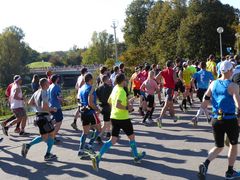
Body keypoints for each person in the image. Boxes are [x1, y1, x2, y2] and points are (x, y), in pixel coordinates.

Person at [91, 73, 146, 171]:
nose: (127, 81)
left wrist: (127, 102)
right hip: (123, 118)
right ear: (122, 81)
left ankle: (98, 157)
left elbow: (109, 101)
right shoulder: (122, 90)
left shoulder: (115, 88)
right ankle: (136, 156)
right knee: (131, 137)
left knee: (112, 140)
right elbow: (117, 104)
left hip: (114, 117)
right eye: (125, 80)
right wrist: (127, 108)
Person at [198, 60, 240, 179]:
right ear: (228, 71)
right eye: (231, 70)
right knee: (233, 145)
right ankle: (230, 172)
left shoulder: (213, 84)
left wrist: (201, 114)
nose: (233, 71)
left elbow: (205, 102)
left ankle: (205, 163)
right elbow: (239, 105)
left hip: (216, 119)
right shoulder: (233, 86)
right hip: (230, 119)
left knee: (219, 146)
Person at [21, 78, 57, 161]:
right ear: (45, 85)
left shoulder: (36, 92)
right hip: (45, 117)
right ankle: (47, 154)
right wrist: (52, 109)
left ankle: (28, 145)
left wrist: (38, 107)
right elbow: (45, 107)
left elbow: (29, 103)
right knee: (52, 134)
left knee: (44, 137)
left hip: (38, 117)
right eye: (48, 83)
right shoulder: (44, 92)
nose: (49, 84)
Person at [78, 73, 102, 158]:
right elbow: (90, 102)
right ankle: (89, 145)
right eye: (93, 79)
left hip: (83, 112)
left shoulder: (81, 88)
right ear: (90, 80)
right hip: (90, 112)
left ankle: (81, 150)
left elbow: (79, 100)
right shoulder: (91, 88)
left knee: (85, 132)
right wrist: (98, 109)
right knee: (99, 129)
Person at [191, 61, 214, 126]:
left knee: (204, 105)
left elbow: (192, 81)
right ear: (205, 66)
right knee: (204, 105)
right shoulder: (209, 73)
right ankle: (196, 117)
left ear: (200, 66)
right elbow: (213, 81)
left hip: (199, 91)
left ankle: (208, 118)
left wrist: (195, 88)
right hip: (206, 91)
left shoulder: (197, 73)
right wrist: (210, 87)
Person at [156, 60, 177, 128]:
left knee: (170, 103)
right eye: (173, 63)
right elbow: (175, 80)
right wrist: (177, 78)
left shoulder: (163, 71)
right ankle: (160, 118)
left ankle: (174, 117)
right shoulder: (172, 71)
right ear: (171, 65)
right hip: (170, 89)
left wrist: (161, 82)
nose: (174, 64)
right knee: (166, 104)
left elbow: (156, 78)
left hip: (164, 89)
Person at [48, 74, 63, 143]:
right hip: (56, 107)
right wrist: (63, 100)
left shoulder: (50, 86)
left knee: (54, 120)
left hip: (51, 106)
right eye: (58, 78)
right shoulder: (57, 87)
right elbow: (59, 97)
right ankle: (52, 137)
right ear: (57, 79)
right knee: (59, 122)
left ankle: (48, 127)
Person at [96, 75, 113, 139]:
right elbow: (111, 98)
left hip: (101, 106)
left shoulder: (98, 88)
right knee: (106, 122)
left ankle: (108, 132)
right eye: (108, 79)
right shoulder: (109, 88)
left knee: (108, 119)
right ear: (106, 80)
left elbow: (97, 97)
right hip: (107, 107)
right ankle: (99, 135)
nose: (109, 80)